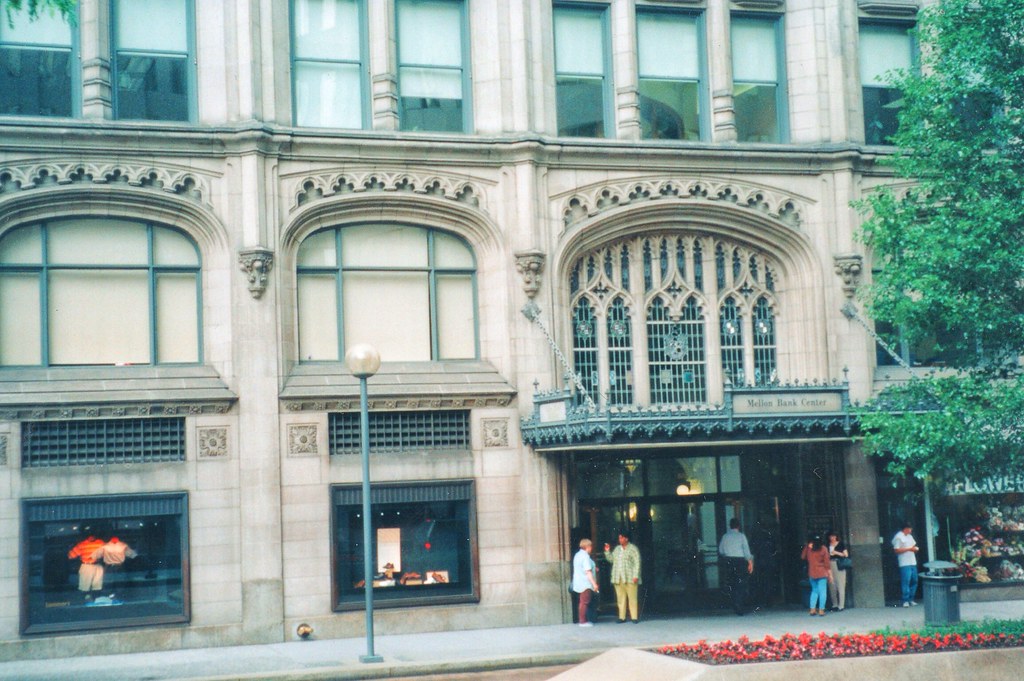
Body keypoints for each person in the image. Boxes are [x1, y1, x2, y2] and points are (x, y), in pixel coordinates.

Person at [603, 532, 642, 623]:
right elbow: (611, 560)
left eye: (621, 538)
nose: (620, 540)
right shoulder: (617, 549)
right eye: (619, 538)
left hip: (630, 576)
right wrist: (607, 551)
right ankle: (622, 617)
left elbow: (637, 562)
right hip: (618, 577)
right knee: (620, 598)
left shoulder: (633, 549)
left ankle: (634, 617)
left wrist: (636, 575)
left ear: (626, 538)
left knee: (632, 597)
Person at [718, 518, 753, 615]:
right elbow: (746, 551)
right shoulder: (742, 536)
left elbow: (721, 550)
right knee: (740, 584)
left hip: (729, 561)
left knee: (732, 583)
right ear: (739, 526)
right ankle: (739, 604)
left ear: (730, 526)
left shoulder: (725, 536)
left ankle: (734, 603)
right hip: (740, 561)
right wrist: (750, 562)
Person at [801, 534, 832, 616]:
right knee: (823, 592)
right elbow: (827, 563)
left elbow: (803, 557)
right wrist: (830, 574)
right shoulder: (824, 548)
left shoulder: (809, 548)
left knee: (814, 591)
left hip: (812, 572)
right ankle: (821, 610)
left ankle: (812, 609)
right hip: (822, 572)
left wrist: (807, 547)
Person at [571, 538, 600, 626]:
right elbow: (588, 572)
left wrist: (594, 568)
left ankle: (584, 620)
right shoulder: (585, 556)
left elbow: (582, 567)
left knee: (583, 601)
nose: (591, 548)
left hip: (579, 582)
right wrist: (594, 584)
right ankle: (582, 621)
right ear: (587, 546)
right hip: (585, 583)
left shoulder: (578, 555)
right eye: (590, 546)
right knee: (584, 602)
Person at [892, 523, 920, 607]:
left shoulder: (910, 537)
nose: (911, 530)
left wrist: (915, 549)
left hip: (912, 561)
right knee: (906, 581)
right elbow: (896, 550)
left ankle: (911, 599)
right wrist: (909, 549)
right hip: (904, 563)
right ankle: (905, 600)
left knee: (914, 580)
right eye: (909, 529)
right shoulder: (898, 537)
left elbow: (913, 546)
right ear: (905, 529)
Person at [826, 530, 849, 611]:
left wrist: (835, 552)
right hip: (829, 564)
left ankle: (841, 605)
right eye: (830, 536)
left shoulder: (841, 544)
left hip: (838, 564)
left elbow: (846, 554)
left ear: (836, 537)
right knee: (832, 585)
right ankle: (834, 604)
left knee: (840, 585)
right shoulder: (827, 545)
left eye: (833, 536)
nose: (832, 538)